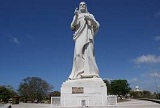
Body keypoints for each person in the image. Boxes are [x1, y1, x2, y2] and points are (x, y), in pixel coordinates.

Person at [69, 2, 100, 80]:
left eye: (84, 5)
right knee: (77, 54)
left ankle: (93, 73)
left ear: (86, 6)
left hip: (88, 37)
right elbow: (72, 26)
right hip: (79, 37)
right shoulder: (77, 15)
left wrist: (90, 19)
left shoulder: (90, 15)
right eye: (81, 5)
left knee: (89, 54)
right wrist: (76, 16)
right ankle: (78, 73)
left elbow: (96, 25)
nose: (82, 6)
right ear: (79, 7)